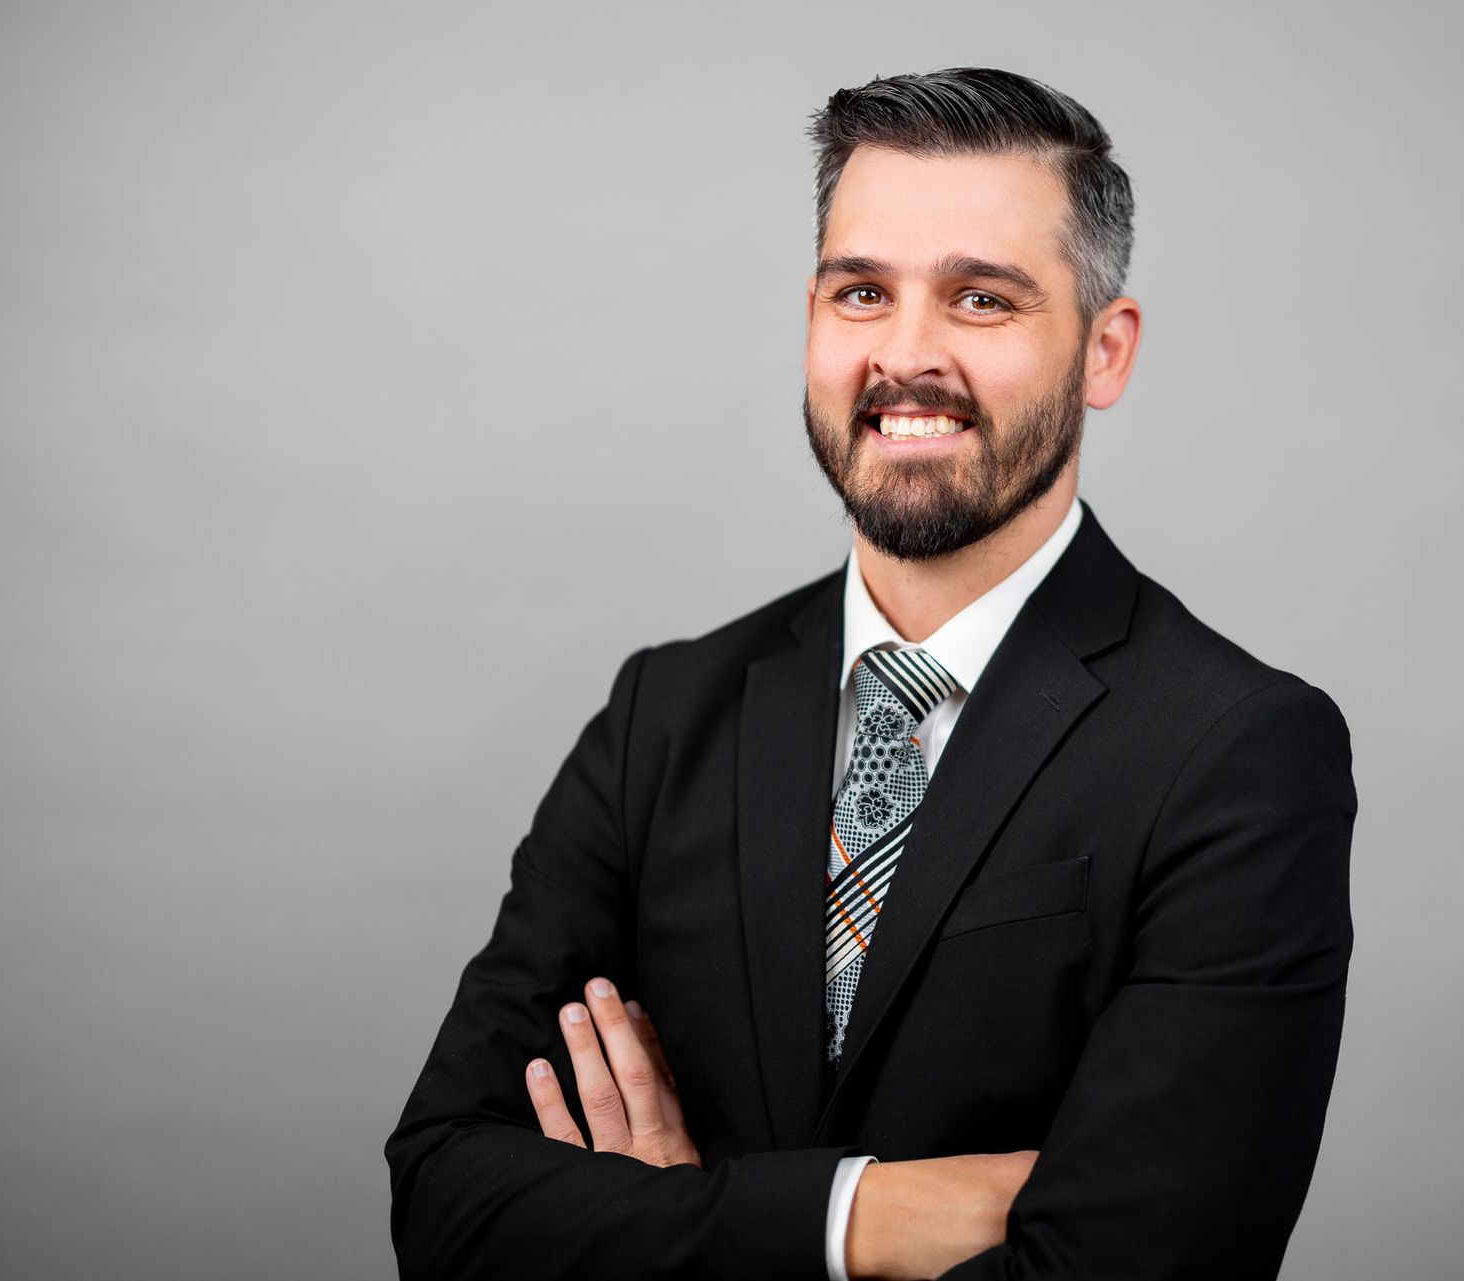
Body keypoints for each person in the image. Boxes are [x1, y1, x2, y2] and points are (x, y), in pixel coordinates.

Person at [386, 66, 1356, 1280]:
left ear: (1105, 352)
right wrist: (850, 1223)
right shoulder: (663, 717)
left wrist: (666, 1233)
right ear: (811, 321)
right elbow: (444, 1202)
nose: (906, 355)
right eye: (862, 292)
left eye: (982, 301)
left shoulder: (1239, 752)